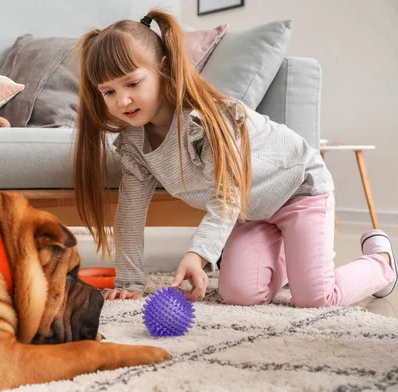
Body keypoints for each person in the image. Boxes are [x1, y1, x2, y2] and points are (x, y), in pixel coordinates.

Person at [72, 9, 396, 307]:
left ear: (165, 69)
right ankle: (285, 254)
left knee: (316, 297)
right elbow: (130, 212)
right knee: (239, 294)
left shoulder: (204, 122)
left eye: (132, 83)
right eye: (109, 91)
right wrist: (130, 280)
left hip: (299, 191)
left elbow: (228, 193)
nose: (122, 100)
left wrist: (198, 254)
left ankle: (381, 262)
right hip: (252, 212)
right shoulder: (133, 145)